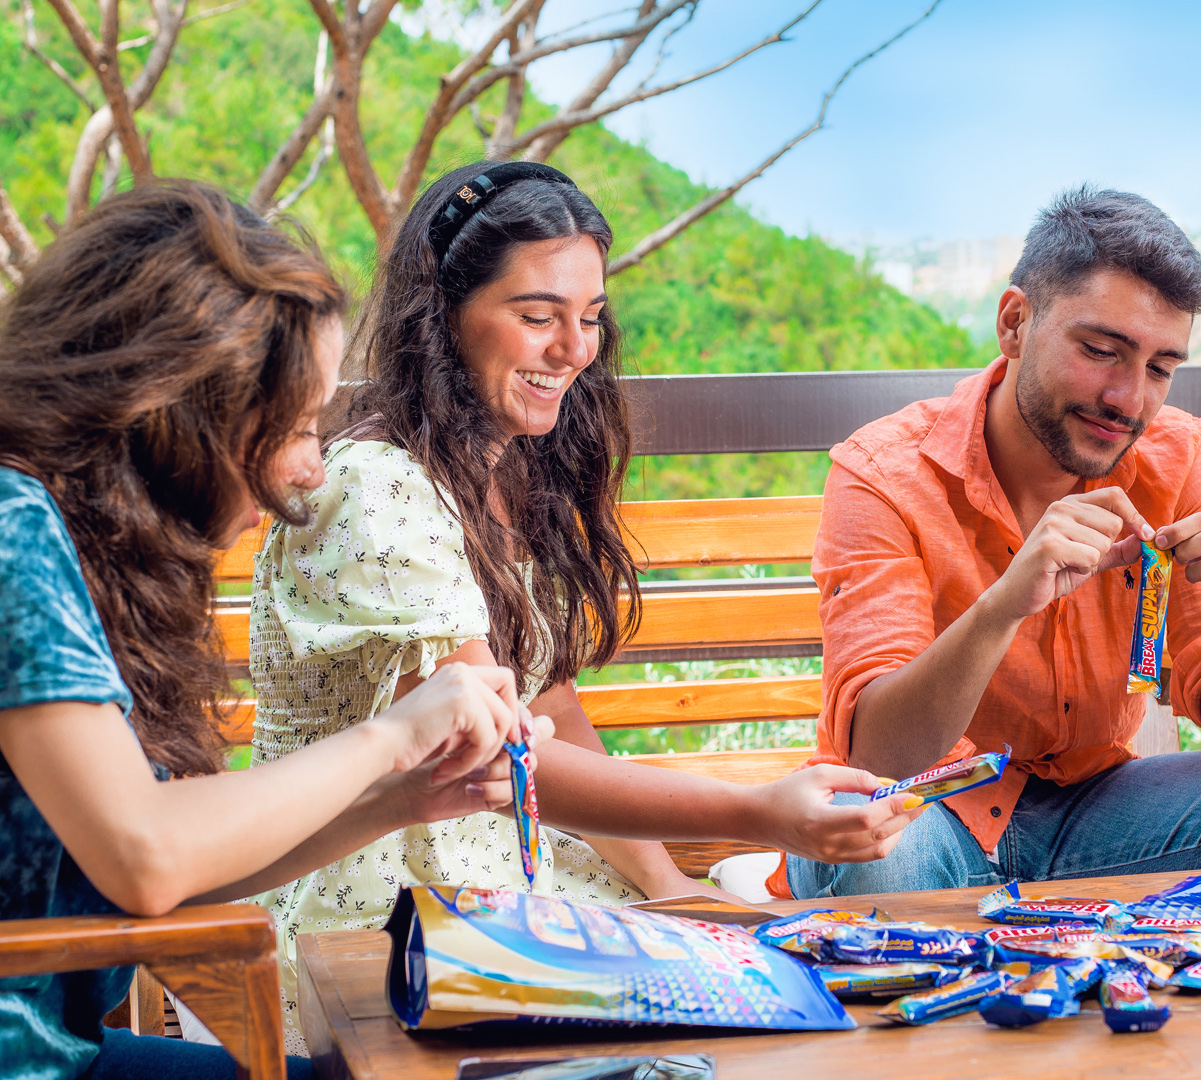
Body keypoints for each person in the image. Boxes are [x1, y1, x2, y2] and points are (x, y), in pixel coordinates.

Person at [247, 159, 923, 1053]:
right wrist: (756, 811)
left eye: (591, 317)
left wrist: (669, 890)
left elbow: (551, 707)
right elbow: (496, 749)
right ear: (443, 314)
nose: (573, 348)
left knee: (780, 1012)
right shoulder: (379, 489)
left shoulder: (507, 472)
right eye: (537, 317)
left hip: (512, 873)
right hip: (387, 912)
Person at [0, 182, 545, 1080]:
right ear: (181, 408)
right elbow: (147, 855)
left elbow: (170, 868)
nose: (307, 471)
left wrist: (402, 799)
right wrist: (392, 734)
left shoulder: (83, 551)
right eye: (295, 425)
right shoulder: (14, 529)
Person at [777, 186, 1201, 900]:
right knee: (862, 844)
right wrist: (1003, 605)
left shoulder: (1178, 456)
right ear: (1015, 323)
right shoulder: (883, 474)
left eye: (1160, 368)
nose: (1129, 399)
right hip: (928, 804)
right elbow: (879, 755)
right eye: (1102, 351)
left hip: (1099, 811)